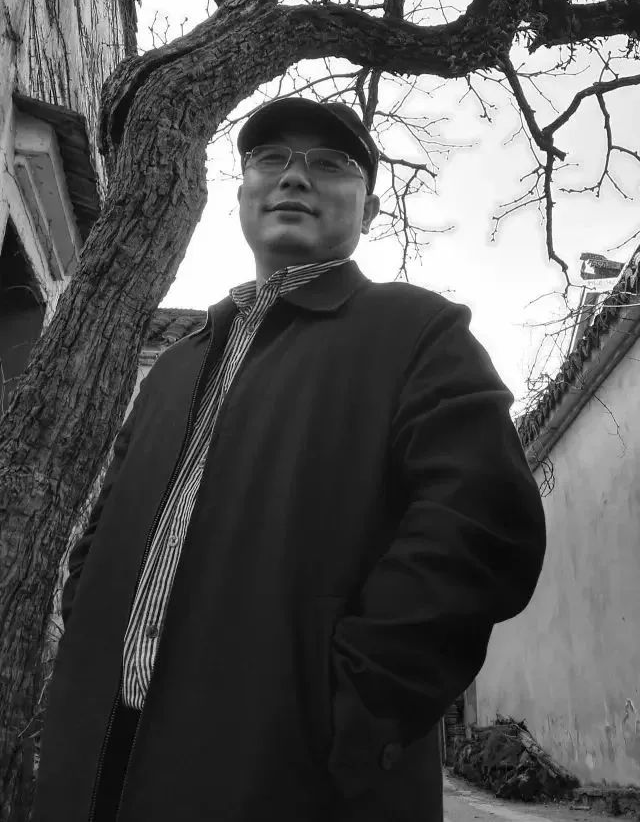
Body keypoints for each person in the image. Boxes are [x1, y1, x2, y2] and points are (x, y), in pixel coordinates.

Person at [34, 96, 546, 822]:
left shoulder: (419, 332)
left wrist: (358, 707)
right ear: (242, 192)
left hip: (292, 771)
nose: (294, 177)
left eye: (330, 163)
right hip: (94, 762)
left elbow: (480, 529)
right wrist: (84, 636)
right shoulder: (175, 367)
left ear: (370, 210)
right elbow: (100, 530)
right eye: (269, 159)